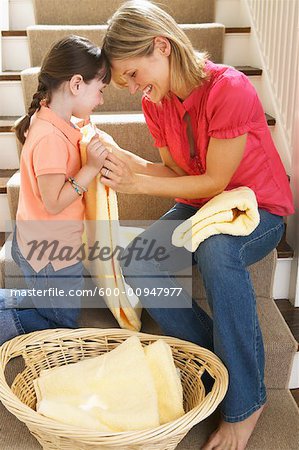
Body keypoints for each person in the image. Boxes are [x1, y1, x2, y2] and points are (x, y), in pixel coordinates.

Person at [97, 1, 295, 449]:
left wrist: (136, 183)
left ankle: (245, 402)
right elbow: (177, 174)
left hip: (256, 208)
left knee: (216, 250)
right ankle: (219, 360)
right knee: (140, 262)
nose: (131, 88)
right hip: (202, 205)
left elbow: (217, 180)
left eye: (131, 74)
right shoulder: (155, 103)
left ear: (161, 47)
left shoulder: (231, 89)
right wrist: (136, 164)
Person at [0, 35, 111, 345]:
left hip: (38, 243)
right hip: (51, 254)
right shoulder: (50, 137)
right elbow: (52, 202)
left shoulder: (55, 120)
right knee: (59, 322)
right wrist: (89, 169)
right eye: (99, 91)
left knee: (47, 302)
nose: (101, 100)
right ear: (76, 84)